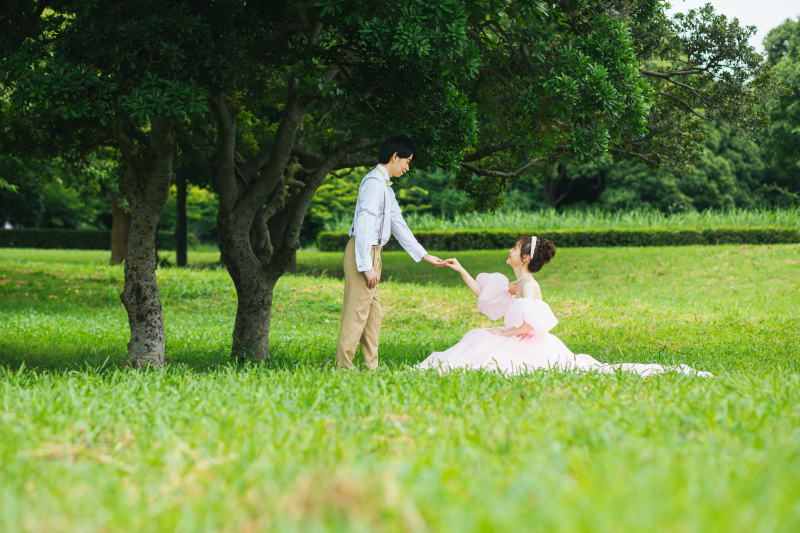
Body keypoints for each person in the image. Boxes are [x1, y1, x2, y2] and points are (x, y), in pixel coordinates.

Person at [417, 236, 712, 377]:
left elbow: (531, 324)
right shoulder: (517, 284)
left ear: (525, 258)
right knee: (478, 337)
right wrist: (460, 269)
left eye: (514, 249)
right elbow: (484, 292)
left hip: (527, 341)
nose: (509, 251)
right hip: (517, 336)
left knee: (484, 340)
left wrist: (503, 333)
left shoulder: (529, 286)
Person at [336, 135, 448, 370]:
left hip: (374, 254)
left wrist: (424, 255)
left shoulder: (385, 187)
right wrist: (366, 266)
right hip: (363, 253)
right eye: (407, 161)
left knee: (373, 319)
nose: (407, 168)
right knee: (355, 317)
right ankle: (343, 371)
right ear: (394, 157)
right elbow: (365, 224)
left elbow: (398, 223)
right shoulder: (374, 184)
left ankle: (370, 370)